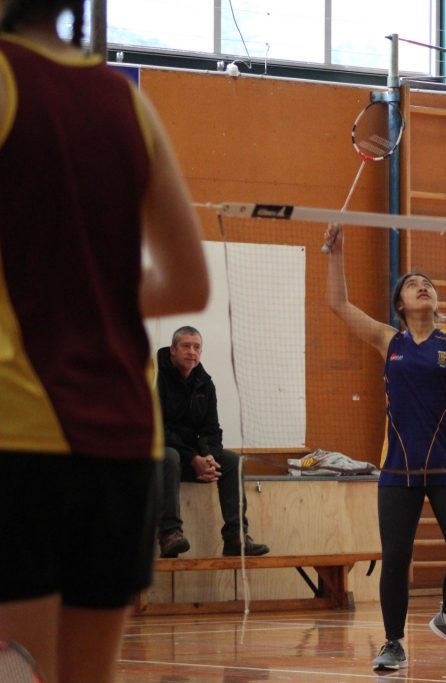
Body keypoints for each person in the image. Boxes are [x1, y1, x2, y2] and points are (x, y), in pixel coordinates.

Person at [0, 1, 210, 681]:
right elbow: (187, 280)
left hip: (21, 433)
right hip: (123, 445)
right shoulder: (126, 100)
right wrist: (82, 298)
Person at [325, 224, 446, 672]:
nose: (421, 287)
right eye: (412, 285)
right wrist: (336, 254)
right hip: (398, 470)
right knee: (397, 559)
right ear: (400, 305)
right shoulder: (390, 341)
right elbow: (339, 304)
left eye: (427, 284)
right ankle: (392, 643)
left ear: (435, 300)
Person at [156, 326, 270, 558]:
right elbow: (158, 430)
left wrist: (208, 456)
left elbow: (211, 429)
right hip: (164, 459)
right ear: (173, 350)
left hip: (193, 458)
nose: (192, 352)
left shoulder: (205, 384)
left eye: (197, 347)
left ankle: (235, 538)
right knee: (169, 455)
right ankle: (170, 534)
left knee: (231, 460)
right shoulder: (156, 379)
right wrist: (193, 457)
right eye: (186, 346)